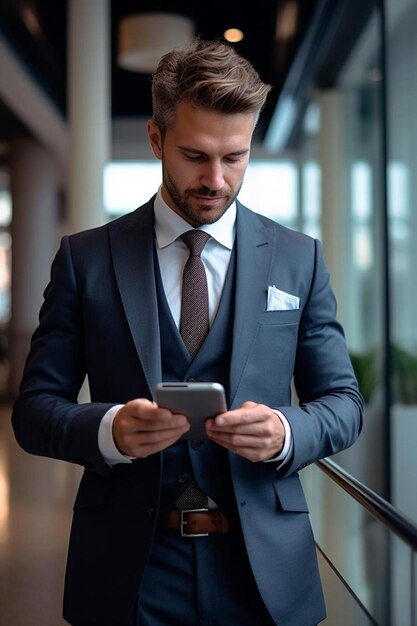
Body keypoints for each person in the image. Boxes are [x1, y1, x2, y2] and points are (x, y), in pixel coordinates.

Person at [12, 37, 363, 626]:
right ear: (155, 140)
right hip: (131, 570)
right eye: (195, 155)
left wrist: (283, 430)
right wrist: (108, 429)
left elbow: (344, 404)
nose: (217, 179)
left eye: (236, 157)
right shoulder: (86, 260)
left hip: (263, 573)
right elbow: (33, 411)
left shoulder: (298, 259)